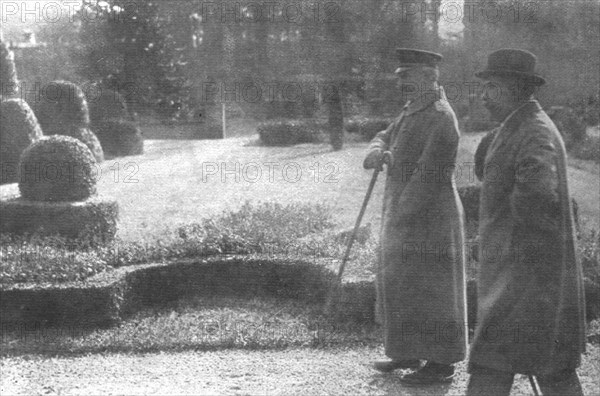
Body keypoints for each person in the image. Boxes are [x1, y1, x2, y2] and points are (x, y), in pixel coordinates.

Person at [467, 48, 586, 396]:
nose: (483, 95)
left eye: (492, 87)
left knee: (500, 364)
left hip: (526, 278)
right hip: (527, 276)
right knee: (550, 366)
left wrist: (506, 254)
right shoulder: (519, 126)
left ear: (517, 88)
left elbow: (536, 204)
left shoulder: (533, 132)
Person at [364, 48, 467, 385]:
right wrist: (377, 151)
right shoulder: (413, 109)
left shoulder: (440, 116)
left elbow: (430, 174)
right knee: (406, 283)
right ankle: (407, 350)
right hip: (405, 211)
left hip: (431, 216)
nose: (400, 84)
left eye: (406, 77)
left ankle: (441, 363)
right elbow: (384, 135)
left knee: (433, 288)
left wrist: (401, 216)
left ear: (426, 76)